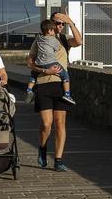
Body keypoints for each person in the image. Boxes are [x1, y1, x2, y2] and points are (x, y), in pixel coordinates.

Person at [26, 12, 82, 172]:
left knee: (60, 123)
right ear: (50, 23)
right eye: (57, 23)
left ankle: (58, 160)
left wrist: (70, 22)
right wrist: (44, 70)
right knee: (46, 124)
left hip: (60, 87)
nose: (59, 26)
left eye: (62, 23)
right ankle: (42, 149)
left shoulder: (64, 40)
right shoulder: (40, 40)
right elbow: (30, 62)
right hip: (44, 84)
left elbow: (79, 41)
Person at [25, 19, 75, 105]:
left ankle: (29, 90)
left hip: (39, 63)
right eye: (53, 29)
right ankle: (67, 94)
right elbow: (58, 48)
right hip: (51, 63)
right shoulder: (54, 40)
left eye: (63, 24)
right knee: (65, 76)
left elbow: (30, 63)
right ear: (49, 30)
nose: (60, 26)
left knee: (33, 74)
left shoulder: (38, 39)